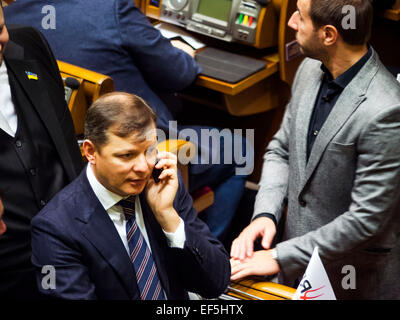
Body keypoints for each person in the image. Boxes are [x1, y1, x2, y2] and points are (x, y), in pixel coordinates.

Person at [4, 0, 249, 243]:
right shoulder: (111, 9)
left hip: (84, 158)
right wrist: (182, 52)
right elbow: (179, 74)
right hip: (144, 153)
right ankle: (212, 256)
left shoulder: (13, 19)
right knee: (240, 150)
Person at [230, 0, 400, 300]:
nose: (292, 22)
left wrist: (278, 256)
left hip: (353, 277)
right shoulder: (308, 68)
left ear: (329, 34)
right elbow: (281, 149)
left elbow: (366, 220)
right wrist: (265, 214)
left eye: (301, 17)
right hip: (296, 267)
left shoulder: (386, 110)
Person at [30, 92, 230, 300]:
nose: (144, 167)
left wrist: (168, 217)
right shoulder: (54, 230)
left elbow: (217, 283)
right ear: (90, 151)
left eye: (150, 150)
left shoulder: (162, 185)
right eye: (127, 155)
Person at [0, 0, 83, 299]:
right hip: (8, 266)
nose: (0, 42)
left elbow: (63, 140)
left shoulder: (29, 44)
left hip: (74, 242)